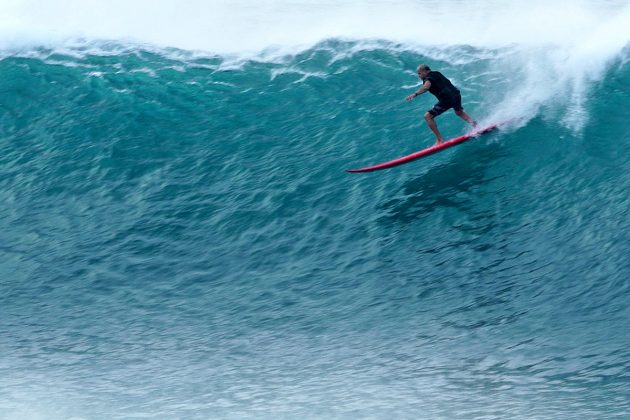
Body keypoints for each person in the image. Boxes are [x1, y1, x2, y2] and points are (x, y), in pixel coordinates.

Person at [405, 64, 477, 145]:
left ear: (426, 71)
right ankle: (475, 125)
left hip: (447, 99)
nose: (419, 75)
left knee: (428, 116)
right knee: (459, 112)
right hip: (456, 94)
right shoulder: (437, 73)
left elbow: (426, 87)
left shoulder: (428, 78)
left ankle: (440, 140)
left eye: (420, 73)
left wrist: (415, 94)